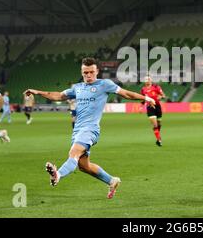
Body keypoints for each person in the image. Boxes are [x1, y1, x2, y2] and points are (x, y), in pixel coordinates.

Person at [24, 57, 156, 199]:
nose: (88, 75)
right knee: (83, 166)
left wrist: (146, 98)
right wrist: (37, 92)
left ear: (97, 71)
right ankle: (112, 180)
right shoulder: (77, 87)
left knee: (73, 153)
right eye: (85, 72)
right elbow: (58, 95)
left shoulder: (105, 84)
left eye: (91, 72)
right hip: (78, 130)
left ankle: (58, 174)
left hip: (90, 129)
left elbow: (126, 93)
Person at [140, 76, 166, 147]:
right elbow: (143, 99)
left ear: (151, 80)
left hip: (158, 107)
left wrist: (160, 97)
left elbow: (163, 95)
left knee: (159, 123)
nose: (147, 81)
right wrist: (141, 106)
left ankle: (158, 137)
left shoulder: (156, 87)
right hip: (150, 107)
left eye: (148, 79)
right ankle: (159, 140)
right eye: (146, 80)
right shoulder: (143, 89)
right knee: (155, 125)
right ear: (144, 81)